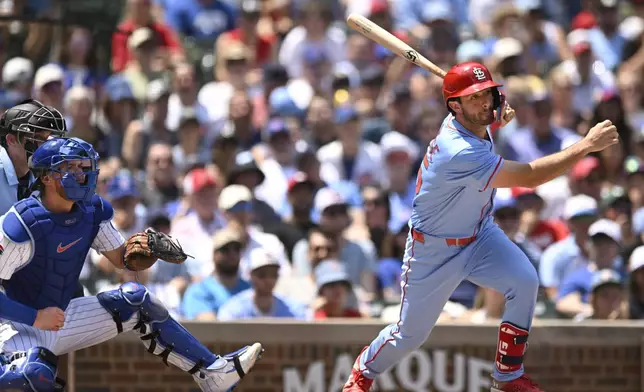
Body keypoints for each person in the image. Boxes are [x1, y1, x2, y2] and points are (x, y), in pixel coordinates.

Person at [343, 61, 619, 392]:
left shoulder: (475, 117)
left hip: (479, 235)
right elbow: (531, 176)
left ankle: (507, 376)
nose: (485, 102)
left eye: (487, 94)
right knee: (409, 335)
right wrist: (586, 145)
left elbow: (489, 108)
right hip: (433, 249)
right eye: (474, 98)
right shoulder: (457, 150)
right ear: (454, 106)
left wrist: (496, 110)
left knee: (524, 280)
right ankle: (363, 371)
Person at [0, 137, 263, 391]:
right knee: (34, 374)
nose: (81, 175)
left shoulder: (92, 211)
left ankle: (213, 373)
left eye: (84, 167)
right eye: (71, 168)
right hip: (16, 324)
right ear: (47, 177)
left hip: (60, 317)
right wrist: (35, 317)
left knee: (136, 300)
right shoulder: (22, 223)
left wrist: (147, 250)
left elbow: (123, 260)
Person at [0, 99, 67, 214]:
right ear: (11, 140)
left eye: (48, 139)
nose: (47, 146)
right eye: (39, 138)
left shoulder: (43, 175)